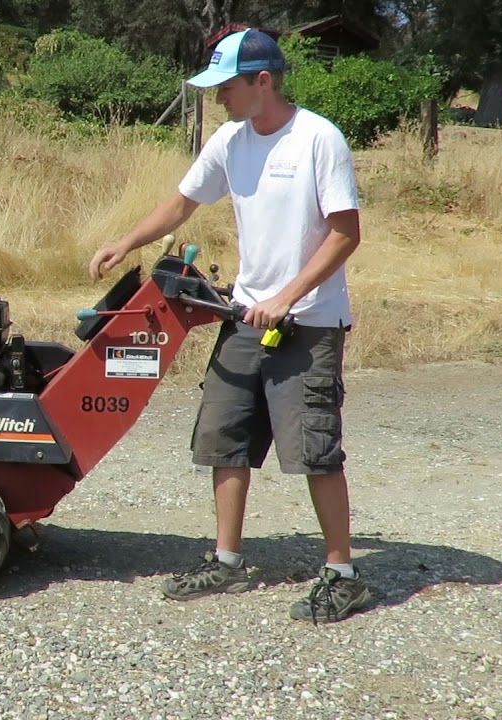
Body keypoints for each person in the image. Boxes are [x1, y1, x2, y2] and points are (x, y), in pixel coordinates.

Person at [88, 28, 370, 624]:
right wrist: (124, 241)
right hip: (245, 316)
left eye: (226, 87)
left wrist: (289, 295)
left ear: (261, 81)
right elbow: (182, 203)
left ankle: (343, 573)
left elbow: (346, 232)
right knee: (225, 437)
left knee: (314, 450)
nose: (218, 99)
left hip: (311, 323)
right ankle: (227, 560)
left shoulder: (319, 139)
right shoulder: (229, 139)